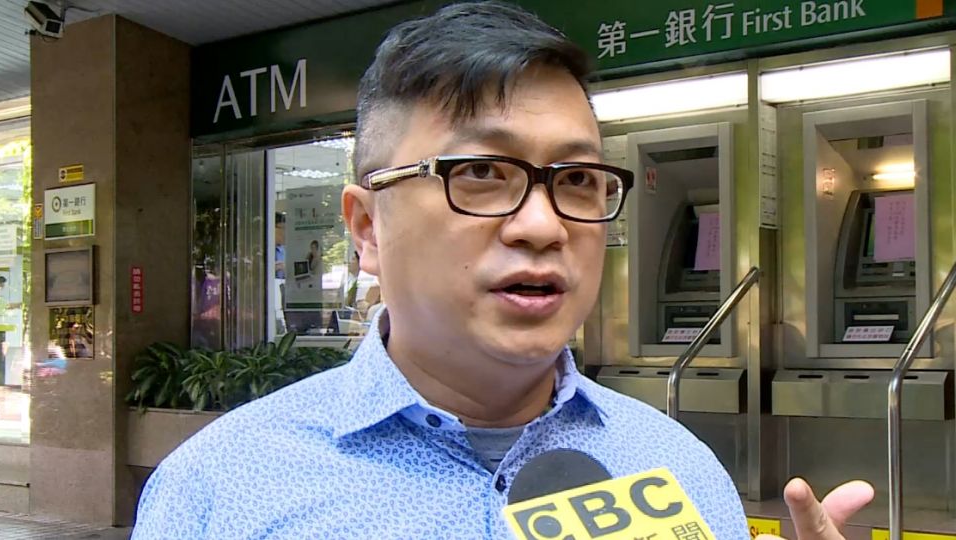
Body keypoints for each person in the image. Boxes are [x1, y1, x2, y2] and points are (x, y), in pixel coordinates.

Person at [132, 3, 872, 539]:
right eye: (481, 172)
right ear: (367, 229)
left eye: (577, 180)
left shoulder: (678, 467)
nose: (543, 226)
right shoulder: (220, 490)